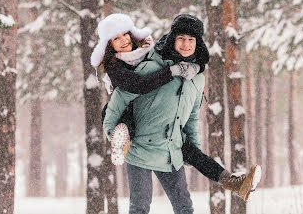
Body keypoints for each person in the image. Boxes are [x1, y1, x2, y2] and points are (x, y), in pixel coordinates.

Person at [93, 14, 261, 213]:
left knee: (184, 207)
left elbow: (191, 117)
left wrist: (194, 151)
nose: (186, 44)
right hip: (139, 149)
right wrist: (114, 136)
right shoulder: (150, 67)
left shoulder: (197, 79)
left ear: (198, 43)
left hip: (172, 151)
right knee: (140, 207)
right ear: (172, 38)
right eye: (181, 38)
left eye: (191, 39)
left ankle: (235, 182)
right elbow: (117, 103)